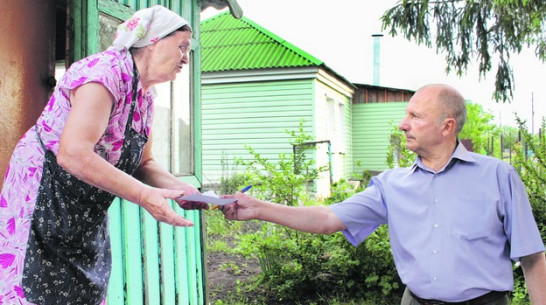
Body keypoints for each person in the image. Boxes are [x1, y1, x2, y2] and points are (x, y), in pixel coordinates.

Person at [221, 84, 546, 305]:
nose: (403, 124)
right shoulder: (392, 185)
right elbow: (328, 218)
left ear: (447, 127)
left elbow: (532, 257)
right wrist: (257, 208)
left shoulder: (498, 176)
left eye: (415, 116)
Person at [0, 5, 208, 305]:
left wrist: (180, 190)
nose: (186, 57)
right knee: (31, 287)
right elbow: (72, 154)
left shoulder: (144, 95)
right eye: (182, 46)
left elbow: (144, 163)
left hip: (82, 211)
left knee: (82, 291)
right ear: (153, 41)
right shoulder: (103, 74)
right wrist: (144, 195)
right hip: (44, 195)